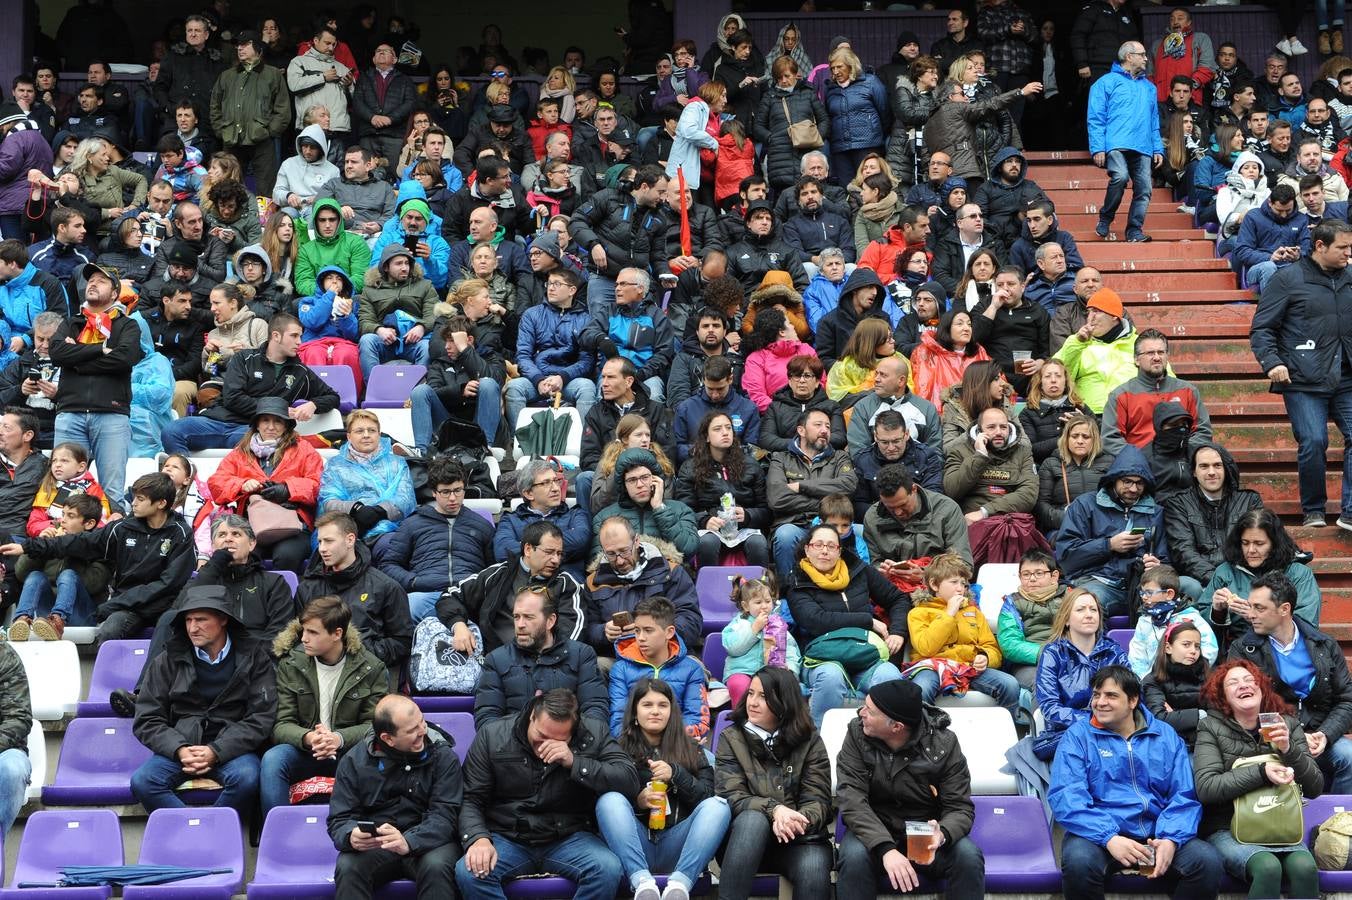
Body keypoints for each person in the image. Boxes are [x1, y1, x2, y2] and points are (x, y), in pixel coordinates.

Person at [1050, 665, 1223, 900]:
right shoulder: (1077, 737)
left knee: (1206, 862)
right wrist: (1109, 838)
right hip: (1099, 835)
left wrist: (1170, 839)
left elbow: (1184, 795)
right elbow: (1067, 796)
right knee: (1079, 862)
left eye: (1111, 695)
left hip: (1156, 831)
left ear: (1133, 701)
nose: (1100, 702)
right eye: (1097, 695)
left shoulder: (1165, 735)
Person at [455, 689, 636, 899]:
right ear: (532, 715)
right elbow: (471, 798)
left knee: (607, 868)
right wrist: (478, 839)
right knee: (469, 872)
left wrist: (575, 762)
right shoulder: (493, 735)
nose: (545, 745)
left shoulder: (593, 732)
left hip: (569, 836)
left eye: (558, 739)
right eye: (541, 736)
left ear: (573, 731)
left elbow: (629, 780)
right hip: (507, 836)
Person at [129, 584, 276, 814]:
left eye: (201, 620)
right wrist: (179, 749)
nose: (192, 628)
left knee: (248, 778)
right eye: (188, 620)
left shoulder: (255, 657)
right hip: (182, 747)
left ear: (223, 619)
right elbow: (147, 718)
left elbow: (261, 717)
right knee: (143, 781)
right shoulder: (166, 660)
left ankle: (210, 831)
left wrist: (216, 750)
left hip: (232, 750)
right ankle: (196, 830)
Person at [0, 472, 192, 645]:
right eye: (134, 498)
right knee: (109, 631)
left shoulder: (181, 534)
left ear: (161, 504)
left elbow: (169, 584)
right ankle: (107, 683)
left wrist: (116, 603)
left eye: (140, 499)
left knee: (172, 633)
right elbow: (78, 542)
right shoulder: (122, 528)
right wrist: (28, 546)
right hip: (129, 607)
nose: (133, 503)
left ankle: (153, 684)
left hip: (163, 606)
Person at [835, 679, 985, 900]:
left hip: (923, 832)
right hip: (874, 827)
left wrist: (941, 834)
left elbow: (960, 807)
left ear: (896, 726)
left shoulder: (944, 743)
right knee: (854, 857)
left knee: (968, 856)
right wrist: (885, 848)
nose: (861, 713)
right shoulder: (857, 734)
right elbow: (851, 799)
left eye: (870, 710)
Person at [1250, 219, 1352, 529]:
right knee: (1313, 440)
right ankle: (1314, 510)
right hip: (1303, 378)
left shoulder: (1350, 277)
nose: (1349, 253)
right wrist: (1272, 362)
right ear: (1320, 246)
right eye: (1343, 247)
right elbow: (1262, 328)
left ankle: (1349, 511)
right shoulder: (1288, 279)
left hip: (1346, 375)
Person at [1192, 660, 1323, 897]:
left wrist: (1287, 749)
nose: (1243, 685)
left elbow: (1314, 787)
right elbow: (1207, 788)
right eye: (1233, 682)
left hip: (1280, 825)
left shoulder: (1287, 725)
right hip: (1228, 828)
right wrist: (1262, 772)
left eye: (1249, 680)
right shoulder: (1210, 727)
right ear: (1223, 696)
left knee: (1305, 867)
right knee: (1267, 867)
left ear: (1261, 688)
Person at [596, 677, 730, 900]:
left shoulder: (693, 749)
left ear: (672, 712)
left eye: (663, 705)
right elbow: (604, 811)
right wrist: (638, 802)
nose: (655, 711)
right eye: (647, 705)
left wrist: (676, 775)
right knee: (609, 800)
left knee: (719, 806)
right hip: (635, 846)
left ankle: (679, 886)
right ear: (635, 712)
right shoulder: (617, 750)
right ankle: (642, 884)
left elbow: (707, 797)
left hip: (679, 846)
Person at [712, 665, 834, 900]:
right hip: (743, 844)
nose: (753, 702)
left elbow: (818, 801)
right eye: (751, 693)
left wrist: (793, 822)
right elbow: (732, 797)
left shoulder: (810, 742)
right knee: (752, 820)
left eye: (764, 696)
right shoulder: (732, 738)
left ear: (784, 703)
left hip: (798, 840)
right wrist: (775, 810)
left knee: (814, 867)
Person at [328, 694, 463, 900]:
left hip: (429, 843)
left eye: (422, 722)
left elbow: (445, 816)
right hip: (379, 844)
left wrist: (409, 841)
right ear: (387, 739)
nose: (423, 731)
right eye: (412, 731)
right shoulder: (353, 761)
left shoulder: (443, 756)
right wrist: (350, 836)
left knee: (437, 867)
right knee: (348, 866)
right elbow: (339, 819)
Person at [1229, 571, 1352, 795]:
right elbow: (1238, 705)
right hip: (1269, 739)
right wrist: (1293, 736)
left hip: (1319, 734)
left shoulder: (1324, 644)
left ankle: (1339, 823)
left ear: (1285, 609)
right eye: (1251, 606)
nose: (1251, 614)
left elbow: (1346, 699)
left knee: (1349, 756)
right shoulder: (1243, 649)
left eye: (1260, 608)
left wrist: (1324, 735)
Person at [263, 594, 386, 818]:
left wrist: (338, 738)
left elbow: (375, 726)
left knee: (377, 759)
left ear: (337, 634)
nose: (304, 639)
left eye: (313, 632)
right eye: (303, 631)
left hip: (348, 752)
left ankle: (360, 831)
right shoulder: (291, 664)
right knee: (274, 759)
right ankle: (278, 833)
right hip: (304, 751)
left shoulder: (370, 668)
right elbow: (281, 724)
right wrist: (310, 738)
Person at [162, 312, 341, 453]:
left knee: (262, 443)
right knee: (171, 431)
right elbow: (232, 398)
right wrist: (275, 409)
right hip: (219, 421)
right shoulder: (245, 358)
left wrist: (313, 405)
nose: (300, 342)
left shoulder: (300, 372)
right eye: (294, 336)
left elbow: (333, 396)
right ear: (276, 336)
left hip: (256, 431)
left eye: (300, 336)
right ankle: (186, 478)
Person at [788, 522, 910, 722]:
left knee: (889, 677)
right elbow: (815, 620)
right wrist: (867, 621)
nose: (824, 551)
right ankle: (819, 744)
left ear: (839, 551)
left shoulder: (859, 571)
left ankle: (882, 744)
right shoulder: (797, 582)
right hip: (823, 659)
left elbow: (898, 599)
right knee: (830, 678)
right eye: (818, 545)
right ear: (807, 549)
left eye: (831, 546)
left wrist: (898, 632)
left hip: (866, 656)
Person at [47, 263, 140, 511]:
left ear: (114, 293)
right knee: (62, 486)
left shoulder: (126, 325)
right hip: (70, 412)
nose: (92, 283)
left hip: (111, 413)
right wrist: (99, 349)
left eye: (101, 280)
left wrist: (78, 360)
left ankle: (109, 544)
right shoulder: (72, 322)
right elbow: (56, 352)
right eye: (90, 280)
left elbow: (125, 357)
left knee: (112, 491)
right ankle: (62, 544)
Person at [205, 396, 325, 575]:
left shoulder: (304, 449)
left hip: (293, 525)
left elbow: (318, 485)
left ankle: (283, 600)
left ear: (286, 425)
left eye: (278, 421)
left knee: (286, 556)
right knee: (243, 557)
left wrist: (288, 489)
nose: (271, 426)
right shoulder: (240, 452)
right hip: (252, 525)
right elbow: (216, 483)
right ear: (257, 424)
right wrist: (242, 484)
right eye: (265, 420)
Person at [439, 520, 585, 662]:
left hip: (546, 664)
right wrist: (458, 625)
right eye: (549, 552)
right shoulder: (499, 574)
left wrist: (546, 660)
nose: (556, 560)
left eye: (559, 554)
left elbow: (572, 633)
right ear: (528, 549)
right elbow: (449, 596)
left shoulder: (566, 583)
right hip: (497, 661)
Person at [375, 458, 494, 621]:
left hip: (468, 595)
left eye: (458, 490)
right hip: (425, 594)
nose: (453, 498)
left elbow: (494, 567)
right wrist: (414, 581)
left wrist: (479, 586)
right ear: (433, 492)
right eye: (445, 492)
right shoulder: (412, 524)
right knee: (403, 610)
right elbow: (388, 565)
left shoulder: (481, 525)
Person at [1056, 446, 1168, 615]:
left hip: (1143, 585)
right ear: (1114, 480)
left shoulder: (1155, 512)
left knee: (1188, 588)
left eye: (1139, 483)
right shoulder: (1085, 505)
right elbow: (1066, 557)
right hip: (1098, 581)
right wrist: (1108, 545)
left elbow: (1166, 561)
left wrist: (1159, 567)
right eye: (1127, 481)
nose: (1133, 489)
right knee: (1090, 602)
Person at [906, 552, 1021, 715]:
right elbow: (926, 648)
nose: (960, 588)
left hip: (968, 667)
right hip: (932, 667)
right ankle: (925, 736)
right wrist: (949, 614)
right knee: (920, 689)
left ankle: (1010, 731)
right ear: (934, 584)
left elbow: (992, 647)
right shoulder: (918, 613)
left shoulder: (973, 611)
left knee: (1009, 684)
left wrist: (985, 657)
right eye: (954, 582)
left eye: (963, 583)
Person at [297, 513, 414, 673]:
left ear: (350, 540)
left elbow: (402, 641)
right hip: (316, 671)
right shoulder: (307, 587)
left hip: (366, 671)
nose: (322, 549)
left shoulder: (386, 587)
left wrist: (364, 653)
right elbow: (297, 635)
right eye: (320, 542)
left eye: (329, 541)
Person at [475, 586, 606, 727]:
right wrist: (527, 735)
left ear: (550, 621)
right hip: (514, 746)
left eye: (528, 617)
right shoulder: (496, 660)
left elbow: (595, 711)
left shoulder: (581, 655)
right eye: (516, 617)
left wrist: (565, 738)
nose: (520, 625)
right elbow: (486, 720)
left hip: (569, 745)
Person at [584, 517, 701, 658]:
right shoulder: (593, 582)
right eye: (611, 554)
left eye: (624, 551)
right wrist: (603, 632)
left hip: (669, 656)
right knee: (596, 667)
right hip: (618, 659)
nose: (619, 560)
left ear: (637, 541)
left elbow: (691, 620)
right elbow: (586, 628)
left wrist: (654, 632)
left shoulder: (671, 572)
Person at [767, 408, 859, 578]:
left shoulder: (839, 457)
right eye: (818, 425)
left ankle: (858, 589)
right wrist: (828, 503)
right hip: (796, 525)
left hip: (832, 523)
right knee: (785, 535)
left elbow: (848, 485)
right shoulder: (781, 458)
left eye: (828, 427)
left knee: (860, 530)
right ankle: (788, 590)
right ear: (801, 430)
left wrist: (802, 486)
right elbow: (777, 498)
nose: (824, 430)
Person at [674, 411, 771, 569]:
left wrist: (748, 515)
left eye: (728, 428)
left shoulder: (751, 466)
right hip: (711, 530)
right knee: (708, 542)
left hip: (743, 530)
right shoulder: (690, 468)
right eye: (717, 429)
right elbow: (684, 510)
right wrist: (704, 520)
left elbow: (766, 511)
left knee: (758, 543)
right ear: (706, 436)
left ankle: (762, 589)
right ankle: (706, 591)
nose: (725, 432)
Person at [1088, 42, 1163, 243]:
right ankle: (1106, 217)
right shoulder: (1105, 82)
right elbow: (1095, 118)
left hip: (1144, 145)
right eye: (1142, 54)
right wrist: (1097, 148)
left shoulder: (1149, 87)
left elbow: (1154, 120)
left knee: (1145, 189)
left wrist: (1158, 147)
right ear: (1129, 57)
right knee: (1120, 177)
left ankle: (1134, 231)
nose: (1146, 58)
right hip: (1116, 142)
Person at [1163, 443, 1263, 590]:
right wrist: (1217, 579)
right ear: (1194, 472)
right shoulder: (1178, 504)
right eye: (1204, 466)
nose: (1211, 472)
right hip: (1200, 580)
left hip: (1243, 575)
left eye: (1217, 465)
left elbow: (1259, 542)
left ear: (1226, 469)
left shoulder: (1249, 501)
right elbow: (1183, 552)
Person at [607, 596, 709, 740]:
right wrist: (648, 739)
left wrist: (663, 740)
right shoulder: (621, 669)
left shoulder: (691, 669)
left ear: (669, 632)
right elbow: (618, 720)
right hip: (634, 747)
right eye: (637, 630)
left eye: (648, 630)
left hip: (678, 746)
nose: (641, 638)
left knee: (709, 759)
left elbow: (698, 720)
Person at [505, 267, 596, 426]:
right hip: (536, 379)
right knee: (514, 387)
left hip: (568, 380)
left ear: (572, 290)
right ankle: (519, 443)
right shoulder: (532, 314)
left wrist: (562, 377)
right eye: (549, 284)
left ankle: (583, 445)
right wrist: (538, 380)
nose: (551, 288)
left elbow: (586, 361)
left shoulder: (586, 319)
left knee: (587, 388)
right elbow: (523, 355)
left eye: (557, 284)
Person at [1101, 329, 1213, 455]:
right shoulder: (1120, 396)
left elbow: (1202, 431)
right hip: (1139, 467)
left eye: (1161, 352)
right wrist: (1139, 459)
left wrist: (1181, 453)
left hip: (1180, 464)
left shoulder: (1188, 391)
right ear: (1136, 360)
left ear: (1167, 356)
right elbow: (1110, 439)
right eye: (1150, 353)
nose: (1156, 357)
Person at [1203, 509, 1322, 627]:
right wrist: (1217, 611)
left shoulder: (1298, 574)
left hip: (1280, 645)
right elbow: (1200, 627)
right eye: (1245, 543)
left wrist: (1258, 617)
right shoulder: (1225, 571)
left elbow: (1307, 625)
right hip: (1236, 643)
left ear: (1275, 544)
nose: (1251, 550)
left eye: (1259, 544)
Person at [209, 31, 289, 200]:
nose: (240, 48)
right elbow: (214, 105)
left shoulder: (273, 74)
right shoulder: (227, 76)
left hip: (262, 140)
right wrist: (220, 130)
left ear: (258, 47)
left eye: (245, 44)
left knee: (266, 189)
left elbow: (282, 109)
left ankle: (265, 223)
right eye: (238, 45)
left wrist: (269, 132)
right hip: (231, 138)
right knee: (229, 187)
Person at [318, 410, 416, 544]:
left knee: (389, 546)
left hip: (389, 530)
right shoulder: (335, 465)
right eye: (359, 431)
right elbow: (328, 501)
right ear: (349, 436)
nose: (366, 435)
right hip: (346, 529)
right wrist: (355, 509)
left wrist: (379, 511)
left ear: (379, 434)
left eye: (371, 430)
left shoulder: (397, 462)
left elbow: (406, 499)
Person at [923, 79, 1041, 182]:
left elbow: (925, 155)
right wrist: (1020, 92)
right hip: (967, 173)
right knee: (973, 208)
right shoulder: (957, 108)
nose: (966, 97)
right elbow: (990, 105)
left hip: (943, 176)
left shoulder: (928, 123)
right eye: (962, 94)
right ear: (950, 97)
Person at [592, 448, 699, 559]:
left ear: (656, 479)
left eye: (645, 477)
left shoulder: (680, 509)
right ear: (624, 485)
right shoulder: (603, 518)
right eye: (632, 480)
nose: (639, 484)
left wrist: (660, 508)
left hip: (667, 574)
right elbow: (597, 562)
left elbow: (689, 549)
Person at [1052, 287, 1139, 415]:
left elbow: (1162, 377)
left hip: (1131, 415)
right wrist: (1077, 342)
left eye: (1096, 312)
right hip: (1089, 416)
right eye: (1089, 312)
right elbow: (1055, 372)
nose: (1090, 318)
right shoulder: (1079, 344)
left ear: (1114, 316)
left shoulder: (1139, 344)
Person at [1128, 564, 1218, 677]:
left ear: (1169, 594)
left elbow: (1210, 648)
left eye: (1149, 592)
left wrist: (1191, 673)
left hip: (1187, 680)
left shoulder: (1191, 619)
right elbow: (1137, 654)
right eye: (1142, 593)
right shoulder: (1144, 621)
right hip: (1152, 682)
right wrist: (1145, 680)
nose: (1144, 597)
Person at [996, 550, 1069, 687]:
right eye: (1026, 574)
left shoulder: (1071, 597)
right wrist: (1045, 653)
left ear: (1054, 576)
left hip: (1069, 658)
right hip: (1030, 663)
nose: (1032, 579)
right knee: (1043, 683)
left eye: (1039, 573)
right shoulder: (1012, 603)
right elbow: (1009, 644)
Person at [845, 355, 942, 455]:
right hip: (874, 469)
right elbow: (859, 453)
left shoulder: (926, 409)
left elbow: (935, 453)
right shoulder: (863, 407)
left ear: (901, 381)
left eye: (883, 375)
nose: (876, 379)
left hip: (918, 468)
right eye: (876, 374)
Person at [1141, 621, 1210, 749]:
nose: (1193, 651)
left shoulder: (1208, 675)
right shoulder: (1153, 681)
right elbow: (1159, 719)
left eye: (1197, 646)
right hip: (1170, 746)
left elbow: (1218, 714)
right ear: (1168, 647)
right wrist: (1200, 715)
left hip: (1207, 744)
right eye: (1186, 645)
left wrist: (1176, 716)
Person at [352, 42, 417, 168]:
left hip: (394, 135)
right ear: (373, 59)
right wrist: (372, 117)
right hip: (369, 133)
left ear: (395, 59)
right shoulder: (364, 78)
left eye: (386, 51)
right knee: (367, 172)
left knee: (394, 172)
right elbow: (357, 102)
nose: (381, 52)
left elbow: (410, 103)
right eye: (378, 51)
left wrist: (390, 118)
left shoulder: (405, 80)